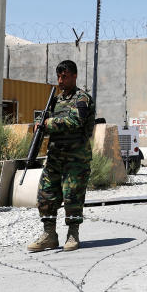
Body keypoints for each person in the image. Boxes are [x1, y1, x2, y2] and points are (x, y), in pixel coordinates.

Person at [26, 59, 96, 253]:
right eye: (58, 77)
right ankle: (49, 235)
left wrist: (48, 124)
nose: (60, 80)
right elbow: (44, 119)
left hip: (76, 158)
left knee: (72, 195)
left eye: (64, 76)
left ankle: (73, 234)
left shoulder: (83, 99)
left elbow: (75, 121)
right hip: (55, 156)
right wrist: (39, 124)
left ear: (74, 76)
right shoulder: (56, 100)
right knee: (46, 193)